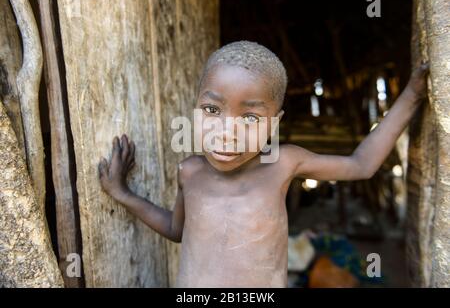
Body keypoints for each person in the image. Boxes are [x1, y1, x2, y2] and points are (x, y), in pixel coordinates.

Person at [98, 41, 429, 287]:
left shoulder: (283, 164)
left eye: (250, 117)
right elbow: (176, 230)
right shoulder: (190, 171)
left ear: (273, 124)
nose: (227, 134)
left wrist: (412, 96)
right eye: (212, 110)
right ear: (197, 108)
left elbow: (361, 165)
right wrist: (123, 193)